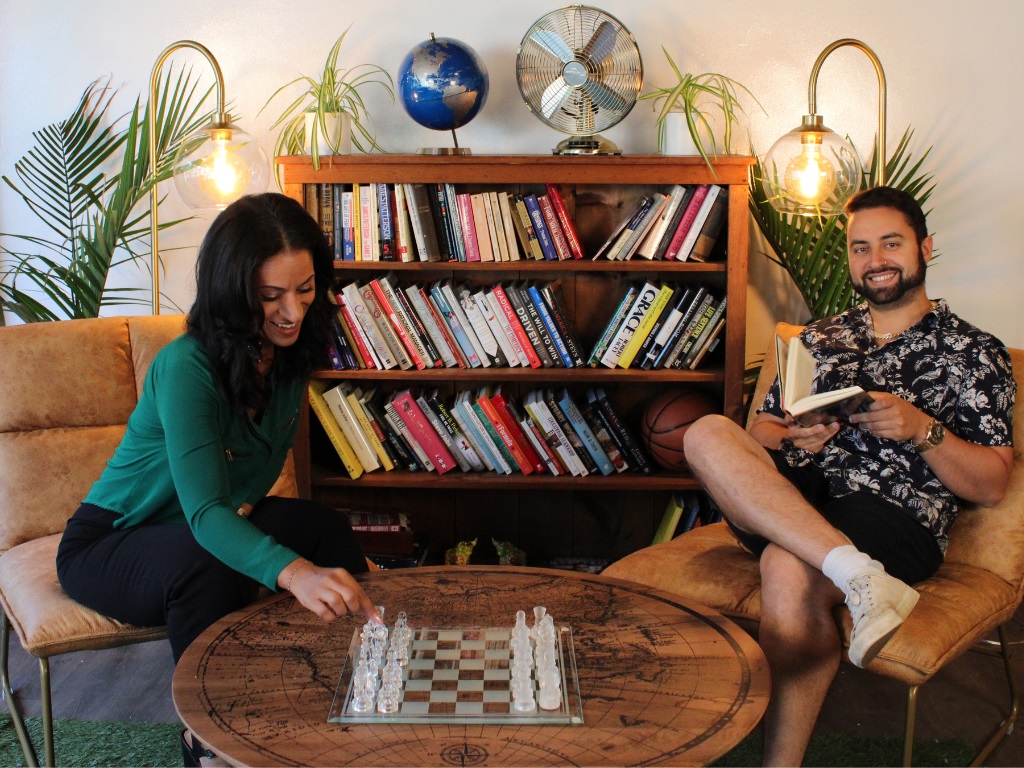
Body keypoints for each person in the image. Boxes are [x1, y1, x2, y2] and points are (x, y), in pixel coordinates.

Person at [682, 186, 1015, 766]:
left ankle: (778, 763)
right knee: (705, 431)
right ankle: (856, 571)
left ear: (925, 248)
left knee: (786, 564)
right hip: (790, 495)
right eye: (861, 248)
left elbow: (990, 484)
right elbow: (762, 434)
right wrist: (795, 434)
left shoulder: (974, 352)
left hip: (894, 513)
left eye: (891, 243)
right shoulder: (819, 338)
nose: (876, 259)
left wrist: (921, 430)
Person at [56, 193, 380, 767]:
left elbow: (248, 480)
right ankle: (208, 737)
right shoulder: (185, 367)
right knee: (211, 560)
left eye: (304, 290)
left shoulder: (289, 355)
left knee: (323, 525)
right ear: (233, 294)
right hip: (110, 542)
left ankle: (357, 678)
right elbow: (206, 516)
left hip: (211, 518)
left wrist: (257, 523)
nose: (292, 312)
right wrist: (294, 572)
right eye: (270, 296)